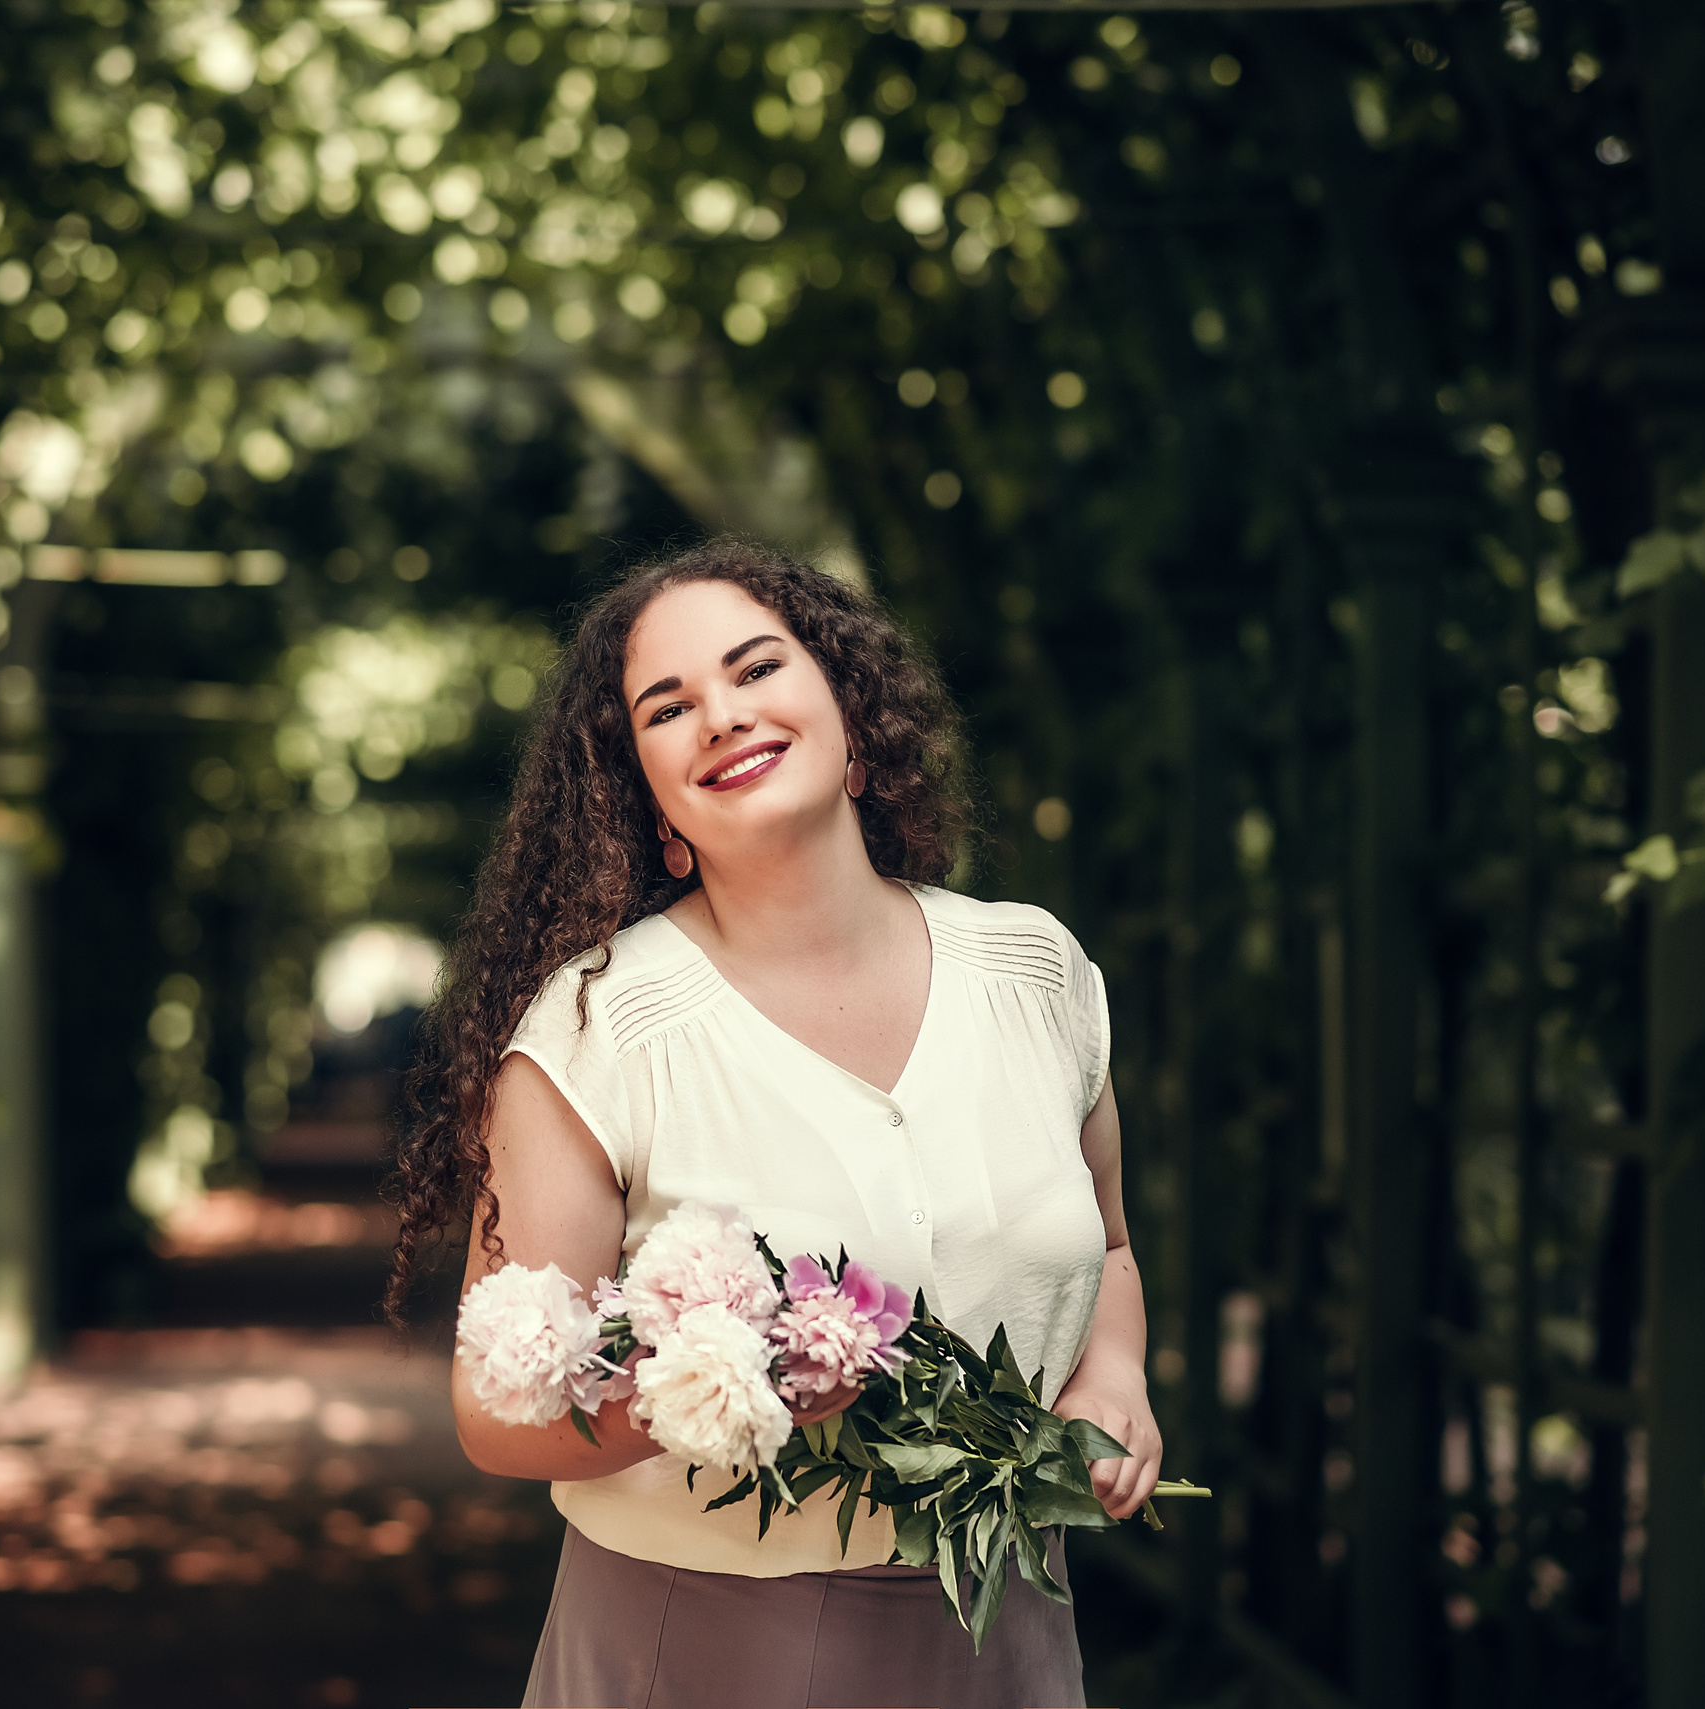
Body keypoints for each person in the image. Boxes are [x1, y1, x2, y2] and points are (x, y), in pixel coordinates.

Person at [385, 539, 1163, 1709]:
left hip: (1008, 1634)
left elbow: (1104, 1246)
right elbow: (499, 1410)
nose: (722, 715)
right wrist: (712, 1381)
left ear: (849, 710)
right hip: (696, 1641)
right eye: (669, 706)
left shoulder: (1034, 972)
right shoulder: (600, 1031)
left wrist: (1115, 1374)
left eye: (756, 668)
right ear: (637, 789)